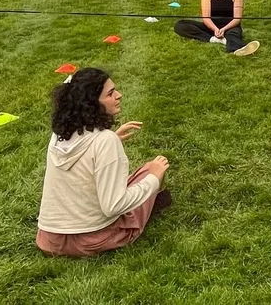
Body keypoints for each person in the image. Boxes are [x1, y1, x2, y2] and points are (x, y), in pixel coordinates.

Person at [37, 67, 172, 257]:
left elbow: (83, 161)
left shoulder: (59, 135)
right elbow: (113, 206)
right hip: (92, 240)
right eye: (110, 94)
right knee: (150, 170)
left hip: (49, 239)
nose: (119, 95)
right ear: (91, 104)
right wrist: (154, 179)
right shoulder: (105, 141)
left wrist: (113, 138)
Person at [173, 0, 260, 56]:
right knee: (180, 25)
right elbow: (206, 17)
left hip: (230, 26)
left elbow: (237, 18)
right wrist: (215, 29)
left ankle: (238, 49)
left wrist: (224, 29)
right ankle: (216, 39)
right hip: (211, 26)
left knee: (233, 35)